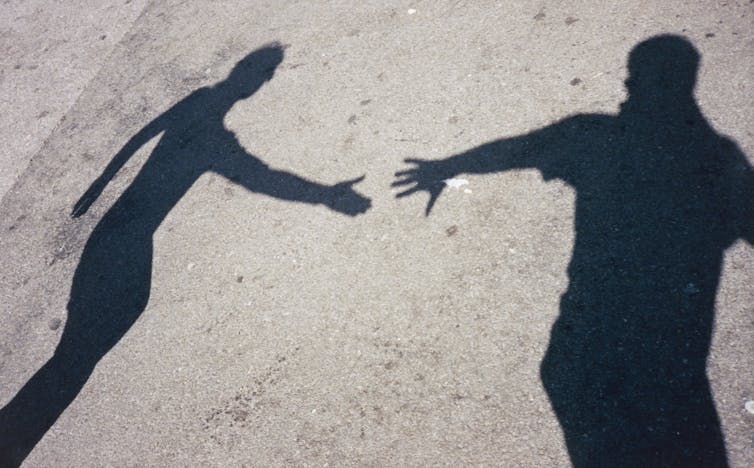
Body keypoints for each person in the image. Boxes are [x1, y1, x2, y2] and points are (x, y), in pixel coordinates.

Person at [0, 43, 370, 465]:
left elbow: (147, 131)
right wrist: (325, 195)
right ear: (248, 76)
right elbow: (260, 178)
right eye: (263, 74)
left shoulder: (199, 102)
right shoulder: (212, 138)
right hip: (125, 246)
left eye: (265, 76)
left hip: (116, 238)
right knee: (73, 364)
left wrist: (104, 177)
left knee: (73, 359)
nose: (261, 82)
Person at [394, 35, 752, 466]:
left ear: (633, 81)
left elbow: (516, 150)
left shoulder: (594, 137)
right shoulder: (716, 161)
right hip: (665, 367)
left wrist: (447, 166)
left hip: (589, 357)